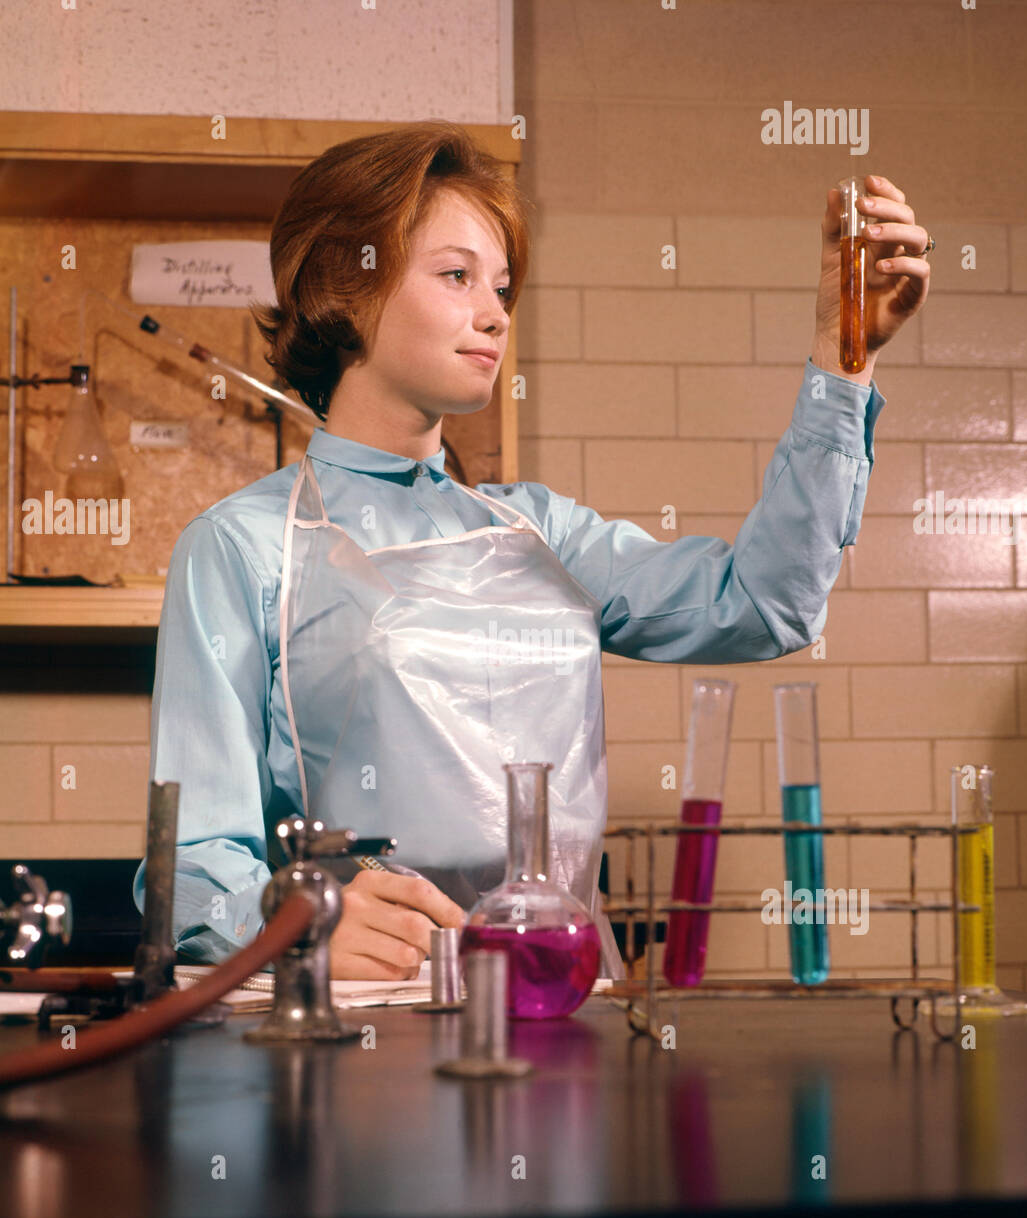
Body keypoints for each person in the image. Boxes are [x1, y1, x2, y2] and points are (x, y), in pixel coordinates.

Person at [132, 120, 930, 981]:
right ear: (344, 286)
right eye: (455, 276)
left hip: (565, 1010)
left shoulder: (538, 532)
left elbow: (765, 605)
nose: (493, 313)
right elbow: (187, 865)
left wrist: (841, 358)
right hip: (372, 1035)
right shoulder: (241, 548)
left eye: (502, 286)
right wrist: (299, 917)